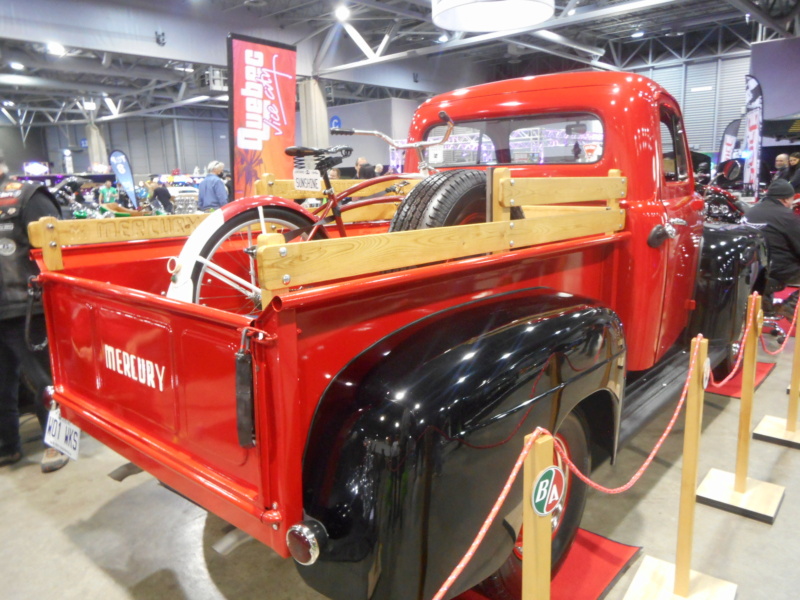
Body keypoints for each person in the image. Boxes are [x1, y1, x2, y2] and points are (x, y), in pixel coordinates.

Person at [0, 150, 69, 472]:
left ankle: (58, 442)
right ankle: (8, 446)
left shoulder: (28, 197)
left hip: (27, 307)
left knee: (47, 380)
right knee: (3, 385)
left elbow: (58, 247)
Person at [745, 178, 800, 317]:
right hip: (776, 271)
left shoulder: (750, 212)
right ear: (787, 199)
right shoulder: (787, 217)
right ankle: (791, 306)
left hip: (749, 269)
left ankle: (765, 308)